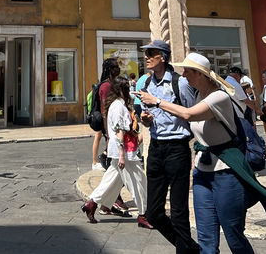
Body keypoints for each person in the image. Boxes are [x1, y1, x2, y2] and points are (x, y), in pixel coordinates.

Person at [147, 52, 266, 254]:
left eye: (187, 72)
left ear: (200, 74)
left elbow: (188, 115)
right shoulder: (196, 96)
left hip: (226, 172)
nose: (183, 76)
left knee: (233, 234)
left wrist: (156, 101)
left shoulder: (219, 97)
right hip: (202, 172)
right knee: (206, 238)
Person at [137, 39, 200, 253]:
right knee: (153, 213)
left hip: (177, 148)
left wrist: (157, 103)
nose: (146, 57)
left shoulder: (179, 83)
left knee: (179, 211)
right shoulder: (146, 84)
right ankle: (192, 249)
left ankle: (184, 250)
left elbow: (193, 113)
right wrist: (146, 119)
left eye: (151, 53)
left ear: (162, 57)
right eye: (146, 53)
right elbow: (148, 115)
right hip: (156, 147)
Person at [81, 76, 150, 229]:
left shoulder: (115, 105)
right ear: (121, 90)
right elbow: (119, 130)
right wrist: (121, 155)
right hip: (125, 151)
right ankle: (143, 213)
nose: (129, 91)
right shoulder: (119, 106)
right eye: (127, 88)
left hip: (121, 149)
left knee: (112, 179)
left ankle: (91, 203)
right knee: (138, 181)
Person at [91, 57, 121, 171]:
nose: (118, 69)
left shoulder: (112, 84)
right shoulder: (106, 86)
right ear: (109, 69)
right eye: (115, 67)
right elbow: (105, 109)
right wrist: (107, 128)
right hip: (108, 122)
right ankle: (104, 158)